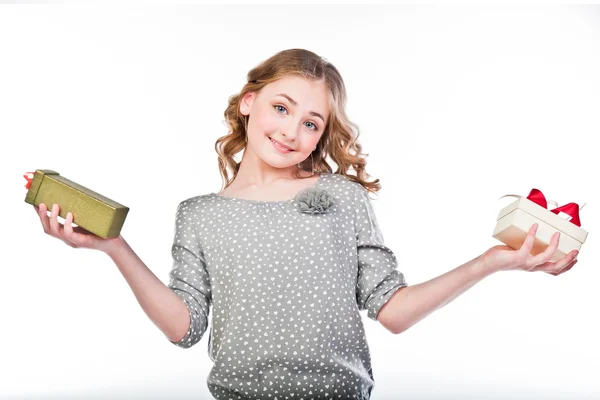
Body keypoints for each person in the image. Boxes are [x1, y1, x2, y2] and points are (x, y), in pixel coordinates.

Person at [33, 48, 579, 400]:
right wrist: (114, 247)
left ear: (322, 135)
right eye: (281, 108)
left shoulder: (342, 197)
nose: (293, 130)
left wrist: (492, 262)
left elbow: (393, 311)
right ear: (250, 103)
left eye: (311, 122)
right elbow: (185, 328)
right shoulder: (199, 214)